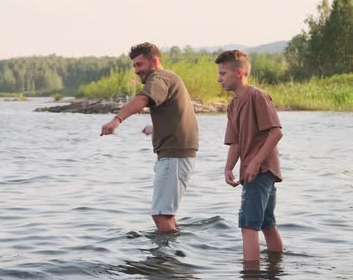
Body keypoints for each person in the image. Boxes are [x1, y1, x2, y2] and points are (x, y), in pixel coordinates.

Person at [100, 42, 199, 233]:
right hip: (175, 154)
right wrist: (157, 127)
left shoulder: (159, 78)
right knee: (166, 214)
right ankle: (170, 254)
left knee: (161, 215)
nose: (136, 70)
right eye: (134, 66)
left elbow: (142, 99)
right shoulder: (169, 78)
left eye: (139, 65)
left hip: (175, 156)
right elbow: (179, 114)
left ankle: (165, 261)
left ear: (154, 61)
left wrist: (116, 120)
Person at [215, 50, 284, 263]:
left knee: (248, 225)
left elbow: (276, 132)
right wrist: (228, 167)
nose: (219, 79)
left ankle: (250, 275)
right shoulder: (233, 105)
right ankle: (276, 268)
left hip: (261, 171)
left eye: (223, 73)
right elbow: (235, 142)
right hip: (252, 171)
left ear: (239, 72)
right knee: (266, 223)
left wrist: (255, 163)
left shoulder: (257, 96)